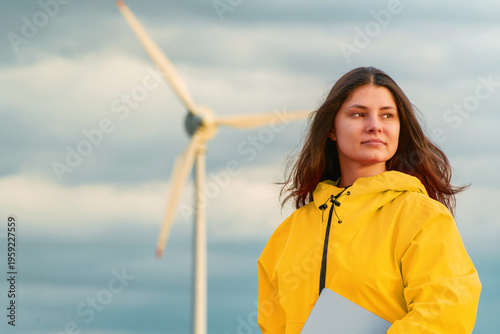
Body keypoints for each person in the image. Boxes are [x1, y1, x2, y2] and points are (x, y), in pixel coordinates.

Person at [257, 67, 481, 333]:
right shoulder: (288, 234)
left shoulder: (423, 217)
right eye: (358, 114)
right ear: (331, 129)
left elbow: (446, 314)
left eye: (387, 115)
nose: (375, 125)